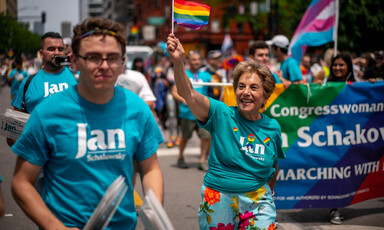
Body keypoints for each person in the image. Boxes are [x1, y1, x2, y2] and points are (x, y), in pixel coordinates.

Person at [11, 17, 164, 229]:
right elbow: (21, 182)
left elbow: (150, 169)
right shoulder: (47, 113)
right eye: (93, 57)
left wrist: (155, 214)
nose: (104, 66)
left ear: (122, 62)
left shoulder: (137, 108)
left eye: (112, 57)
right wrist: (56, 227)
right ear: (74, 61)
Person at [167, 34, 285, 229]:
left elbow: (274, 166)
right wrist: (179, 61)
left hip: (258, 199)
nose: (246, 92)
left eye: (254, 87)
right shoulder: (220, 113)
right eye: (241, 86)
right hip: (218, 197)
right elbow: (187, 92)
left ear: (265, 95)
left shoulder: (273, 127)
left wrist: (268, 195)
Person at [7, 32, 78, 148]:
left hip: (72, 154)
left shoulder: (79, 78)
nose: (56, 53)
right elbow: (13, 125)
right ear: (41, 53)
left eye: (60, 49)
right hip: (37, 157)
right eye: (51, 49)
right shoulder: (28, 82)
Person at [171, 50, 212, 171]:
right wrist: (184, 99)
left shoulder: (206, 75)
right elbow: (174, 91)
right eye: (194, 60)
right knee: (185, 138)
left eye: (198, 59)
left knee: (206, 137)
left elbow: (217, 86)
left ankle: (202, 160)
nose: (196, 62)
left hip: (202, 113)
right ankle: (180, 157)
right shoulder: (183, 74)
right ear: (189, 61)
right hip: (187, 114)